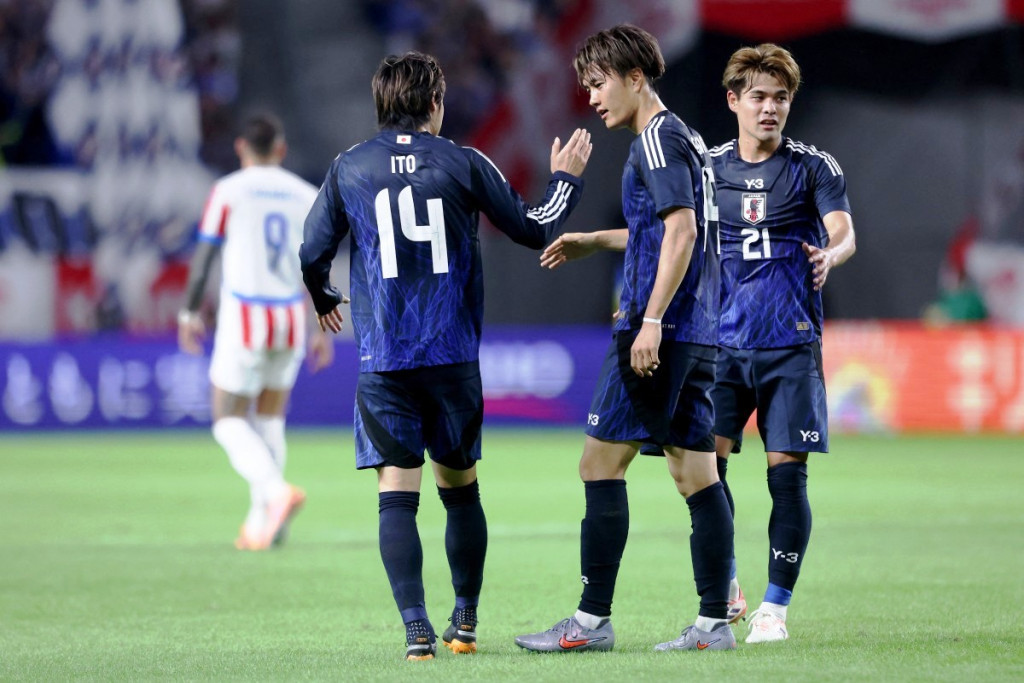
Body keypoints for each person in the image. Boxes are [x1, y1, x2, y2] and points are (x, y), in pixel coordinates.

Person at [299, 51, 592, 661]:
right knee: (460, 491)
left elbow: (310, 250)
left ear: (380, 103)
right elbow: (535, 227)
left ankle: (415, 631)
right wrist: (565, 179)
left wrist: (324, 295)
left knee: (395, 495)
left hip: (385, 359)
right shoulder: (463, 161)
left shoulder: (349, 166)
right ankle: (465, 620)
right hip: (451, 357)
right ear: (434, 103)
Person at [514, 24, 736, 653]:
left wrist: (651, 319)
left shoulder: (657, 140)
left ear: (635, 78)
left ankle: (589, 624)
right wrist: (597, 240)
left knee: (599, 463)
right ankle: (714, 625)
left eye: (598, 83)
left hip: (661, 331)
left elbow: (683, 232)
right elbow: (666, 230)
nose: (591, 97)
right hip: (699, 331)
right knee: (697, 474)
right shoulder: (683, 137)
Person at [705, 43, 856, 643]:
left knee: (787, 479)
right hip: (719, 346)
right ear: (734, 100)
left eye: (781, 98)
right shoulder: (707, 169)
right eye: (759, 97)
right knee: (704, 475)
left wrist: (832, 255)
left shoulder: (814, 167)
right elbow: (674, 238)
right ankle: (727, 585)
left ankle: (774, 608)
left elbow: (843, 232)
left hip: (789, 345)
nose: (770, 108)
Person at [178, 113, 334, 552]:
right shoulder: (306, 194)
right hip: (289, 318)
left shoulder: (228, 190)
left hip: (245, 316)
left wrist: (189, 312)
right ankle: (263, 524)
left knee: (227, 420)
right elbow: (317, 266)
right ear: (280, 150)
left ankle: (275, 492)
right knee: (269, 418)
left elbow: (205, 257)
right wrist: (321, 326)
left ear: (241, 148)